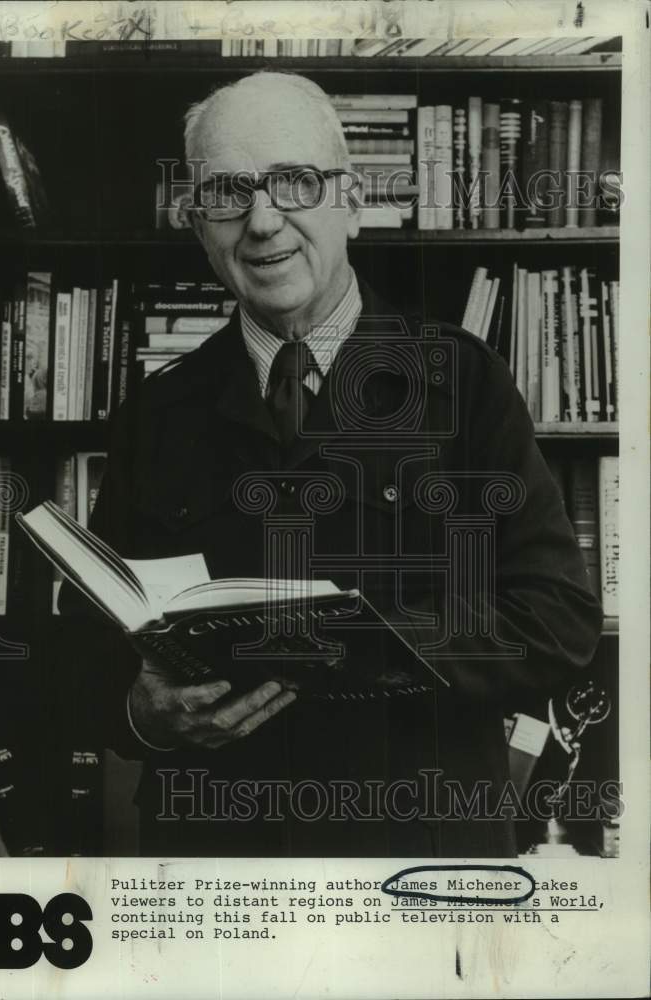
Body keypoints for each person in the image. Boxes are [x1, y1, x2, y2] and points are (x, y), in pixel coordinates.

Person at [60, 72, 602, 857]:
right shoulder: (159, 412)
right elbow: (84, 652)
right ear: (196, 223)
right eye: (228, 193)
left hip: (419, 844)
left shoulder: (464, 379)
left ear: (349, 199)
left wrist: (363, 651)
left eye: (294, 183)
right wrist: (142, 714)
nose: (262, 221)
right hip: (217, 857)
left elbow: (555, 621)